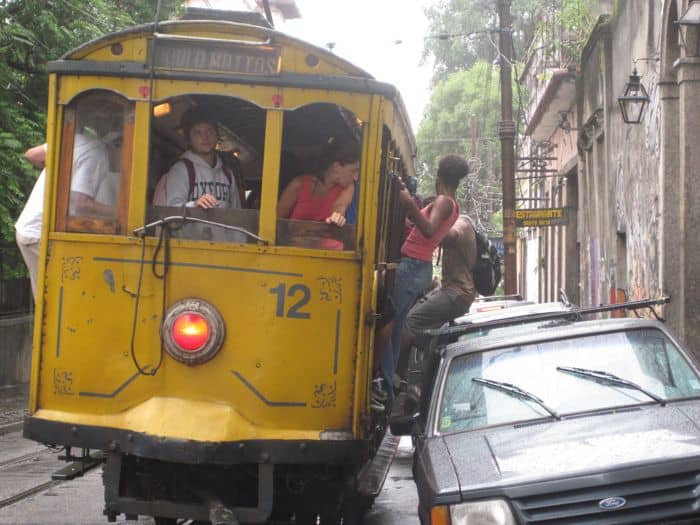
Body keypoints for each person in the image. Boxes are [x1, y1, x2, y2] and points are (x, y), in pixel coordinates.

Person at [378, 154, 469, 404]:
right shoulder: (452, 204)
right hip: (420, 268)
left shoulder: (443, 201)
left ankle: (384, 381)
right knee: (396, 327)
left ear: (440, 178)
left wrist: (408, 203)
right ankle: (389, 381)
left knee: (388, 325)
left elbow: (428, 230)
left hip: (413, 266)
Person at [153, 107, 243, 242]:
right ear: (189, 138)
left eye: (209, 131)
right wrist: (195, 205)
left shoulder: (227, 174)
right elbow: (171, 213)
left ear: (216, 135)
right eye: (197, 132)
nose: (205, 137)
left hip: (222, 251)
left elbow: (236, 218)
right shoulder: (181, 170)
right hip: (190, 251)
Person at [277, 139, 359, 249]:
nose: (356, 177)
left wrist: (337, 217)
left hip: (328, 258)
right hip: (293, 255)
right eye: (353, 171)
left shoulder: (348, 187)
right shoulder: (299, 184)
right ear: (336, 166)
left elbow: (340, 206)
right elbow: (276, 222)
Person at [15, 144, 47, 298]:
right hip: (36, 232)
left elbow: (31, 155)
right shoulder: (76, 143)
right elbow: (31, 154)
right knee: (47, 293)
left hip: (32, 230)